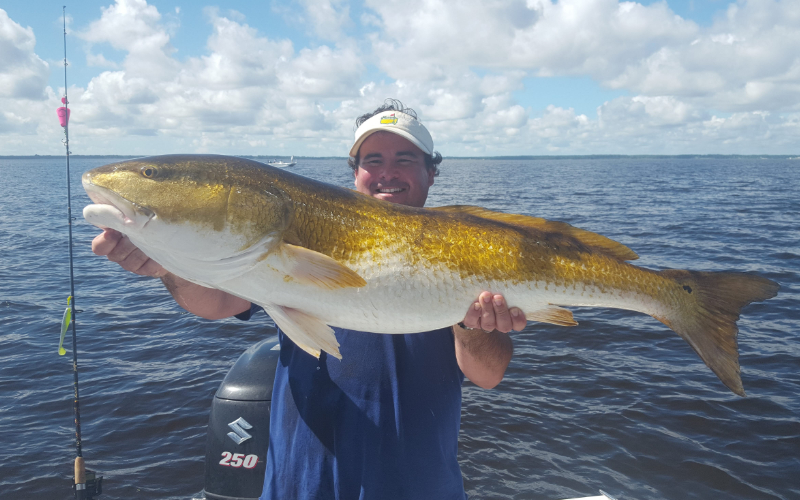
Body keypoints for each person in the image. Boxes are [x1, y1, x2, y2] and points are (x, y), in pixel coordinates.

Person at [91, 99, 526, 499]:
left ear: (431, 172)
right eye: (373, 160)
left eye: (405, 159)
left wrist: (471, 323)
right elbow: (217, 305)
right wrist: (168, 268)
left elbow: (488, 375)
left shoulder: (474, 253)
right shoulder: (282, 245)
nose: (387, 173)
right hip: (298, 487)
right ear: (355, 173)